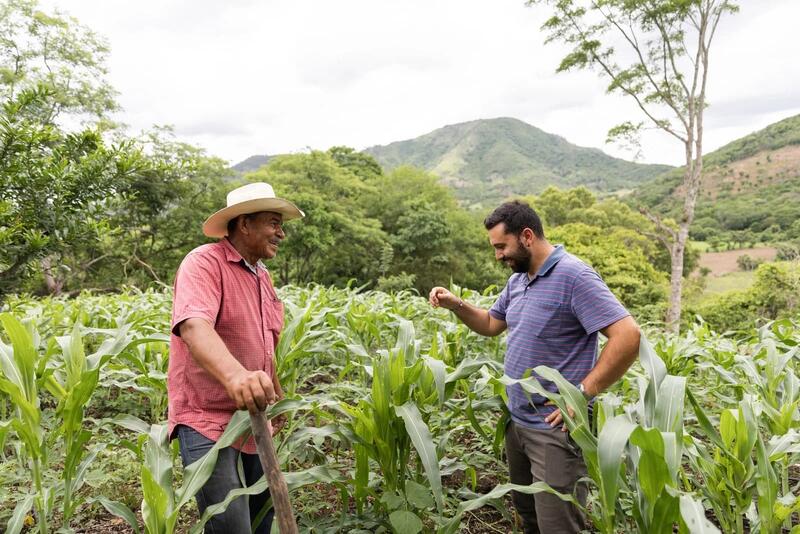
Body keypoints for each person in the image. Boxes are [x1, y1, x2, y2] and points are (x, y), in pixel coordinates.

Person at [429, 200, 640, 534]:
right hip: (519, 424)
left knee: (558, 526)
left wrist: (582, 393)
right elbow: (490, 323)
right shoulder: (520, 279)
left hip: (555, 431)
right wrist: (456, 303)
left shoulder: (575, 276)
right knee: (530, 519)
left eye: (501, 246)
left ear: (527, 236)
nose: (497, 255)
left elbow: (627, 335)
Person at [167, 182, 304, 533]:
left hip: (254, 418)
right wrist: (235, 377)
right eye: (273, 223)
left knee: (262, 519)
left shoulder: (263, 276)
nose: (281, 233)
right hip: (207, 420)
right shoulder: (203, 264)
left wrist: (274, 393)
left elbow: (264, 344)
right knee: (231, 526)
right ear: (244, 224)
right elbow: (194, 326)